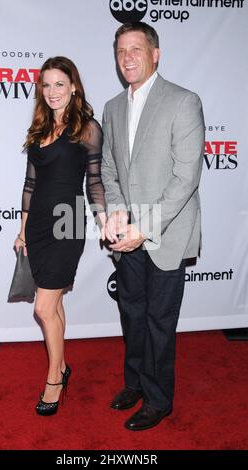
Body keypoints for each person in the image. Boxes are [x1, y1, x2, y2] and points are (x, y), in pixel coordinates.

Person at [101, 22, 205, 431]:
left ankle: (159, 400)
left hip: (165, 232)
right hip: (127, 234)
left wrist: (141, 228)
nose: (128, 57)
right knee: (132, 314)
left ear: (155, 53)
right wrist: (116, 212)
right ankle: (136, 383)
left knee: (160, 321)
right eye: (122, 50)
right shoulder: (112, 107)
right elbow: (109, 169)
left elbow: (186, 179)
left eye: (137, 49)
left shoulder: (183, 101)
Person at [14, 56, 106, 416]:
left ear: (74, 87)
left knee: (43, 308)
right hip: (37, 224)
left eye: (59, 84)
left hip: (68, 222)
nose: (52, 92)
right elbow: (29, 184)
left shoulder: (87, 128)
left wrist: (105, 219)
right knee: (54, 304)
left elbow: (95, 181)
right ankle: (64, 364)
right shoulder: (38, 130)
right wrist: (22, 230)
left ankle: (55, 378)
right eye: (46, 85)